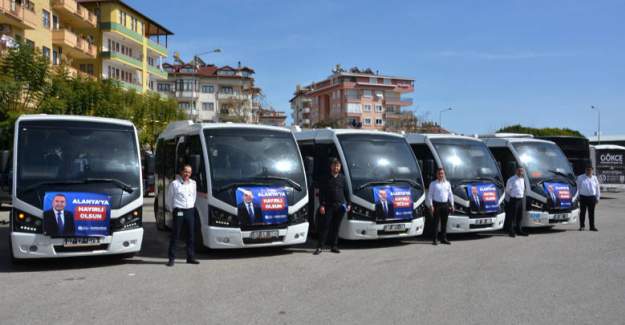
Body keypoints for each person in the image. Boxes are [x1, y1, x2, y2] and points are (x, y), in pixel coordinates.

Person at [314, 158, 350, 255]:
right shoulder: (326, 178)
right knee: (325, 227)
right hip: (328, 207)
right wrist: (322, 205)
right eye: (334, 165)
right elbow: (322, 193)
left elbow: (346, 192)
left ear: (340, 167)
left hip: (340, 207)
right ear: (331, 167)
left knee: (336, 227)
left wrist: (349, 204)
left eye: (337, 166)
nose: (336, 167)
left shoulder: (342, 178)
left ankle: (334, 246)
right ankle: (320, 247)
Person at [165, 164, 199, 266]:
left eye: (189, 172)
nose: (187, 174)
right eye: (185, 172)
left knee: (191, 235)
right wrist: (173, 210)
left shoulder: (193, 183)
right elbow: (169, 199)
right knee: (176, 235)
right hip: (179, 210)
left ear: (191, 173)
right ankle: (171, 259)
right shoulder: (174, 184)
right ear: (181, 172)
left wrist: (191, 207)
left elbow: (194, 196)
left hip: (189, 210)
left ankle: (190, 257)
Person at [427, 168, 453, 245]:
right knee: (436, 223)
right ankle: (435, 239)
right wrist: (431, 205)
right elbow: (430, 195)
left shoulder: (447, 183)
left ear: (444, 174)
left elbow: (450, 195)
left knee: (444, 223)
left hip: (445, 204)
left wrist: (452, 204)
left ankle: (443, 239)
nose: (441, 175)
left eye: (442, 173)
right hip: (436, 205)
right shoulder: (433, 184)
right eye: (439, 173)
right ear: (436, 174)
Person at [505, 167, 528, 237]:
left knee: (519, 216)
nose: (521, 172)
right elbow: (507, 191)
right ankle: (511, 231)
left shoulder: (522, 179)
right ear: (516, 171)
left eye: (522, 171)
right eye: (519, 171)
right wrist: (509, 200)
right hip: (513, 199)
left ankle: (519, 230)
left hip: (520, 199)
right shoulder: (511, 180)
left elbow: (523, 189)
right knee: (512, 217)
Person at [576, 166, 600, 231]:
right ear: (585, 170)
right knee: (582, 213)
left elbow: (597, 188)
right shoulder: (580, 177)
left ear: (592, 170)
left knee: (591, 213)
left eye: (590, 170)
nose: (588, 171)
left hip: (592, 197)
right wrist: (577, 196)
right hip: (583, 197)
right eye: (587, 170)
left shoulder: (594, 178)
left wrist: (597, 197)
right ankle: (582, 226)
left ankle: (592, 227)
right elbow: (577, 187)